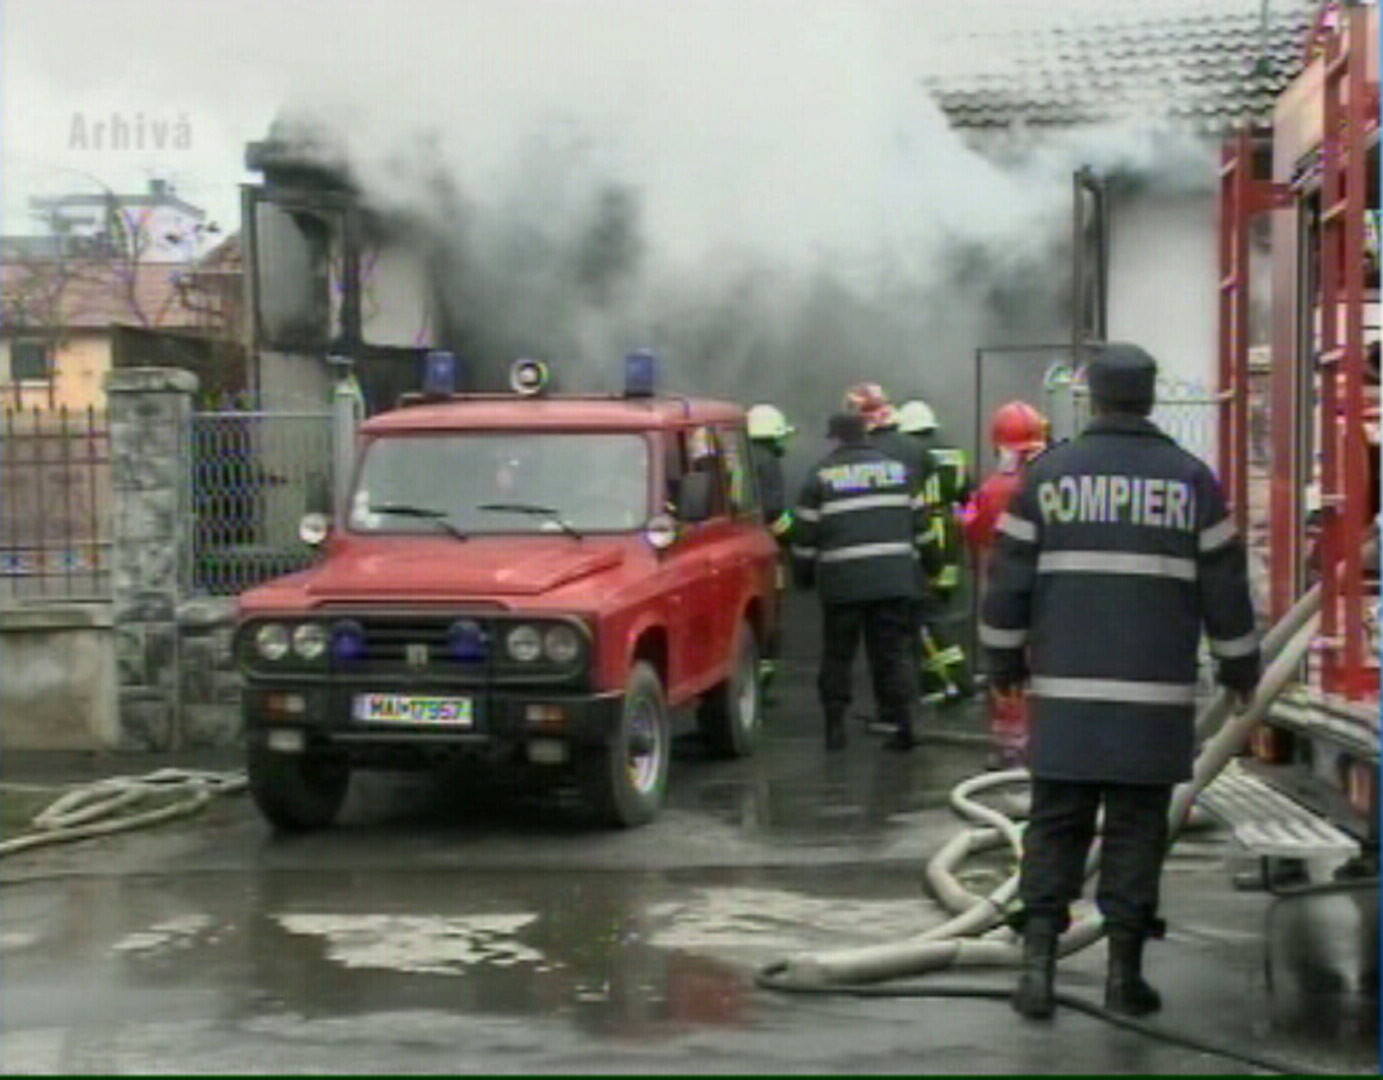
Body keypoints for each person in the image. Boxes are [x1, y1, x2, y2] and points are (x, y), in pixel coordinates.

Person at [979, 343, 1260, 1021]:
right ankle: (1122, 978)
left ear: (1092, 399)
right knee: (1136, 835)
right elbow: (1225, 588)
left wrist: (1002, 663)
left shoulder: (1047, 479)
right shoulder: (1191, 480)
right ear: (1149, 398)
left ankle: (1037, 973)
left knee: (1054, 829)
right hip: (1152, 704)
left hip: (1067, 703)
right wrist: (1240, 667)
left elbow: (1007, 579)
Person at [792, 411, 926, 753]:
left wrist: (803, 577)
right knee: (891, 655)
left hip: (843, 584)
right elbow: (922, 527)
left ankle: (835, 730)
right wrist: (932, 566)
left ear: (836, 439)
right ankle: (904, 726)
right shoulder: (898, 471)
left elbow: (805, 538)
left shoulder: (820, 476)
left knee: (839, 655)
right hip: (894, 581)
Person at [843, 382, 938, 735]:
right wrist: (935, 561)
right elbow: (927, 506)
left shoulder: (860, 456)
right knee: (908, 638)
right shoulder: (915, 449)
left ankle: (894, 713)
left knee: (884, 645)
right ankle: (911, 706)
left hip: (875, 565)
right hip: (911, 558)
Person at [962, 400, 1049, 768]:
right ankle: (1046, 740)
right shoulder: (1054, 480)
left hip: (1002, 587)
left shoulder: (993, 488)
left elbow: (973, 527)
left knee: (1004, 663)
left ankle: (1011, 746)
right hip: (1050, 591)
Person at [898, 399, 975, 706]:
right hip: (950, 541)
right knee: (939, 609)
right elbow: (969, 497)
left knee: (927, 614)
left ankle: (955, 679)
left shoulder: (911, 455)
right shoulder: (954, 452)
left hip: (925, 536)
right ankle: (934, 680)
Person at [746, 403, 796, 697]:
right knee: (770, 613)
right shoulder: (768, 462)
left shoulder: (736, 455)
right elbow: (775, 513)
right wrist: (796, 534)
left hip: (740, 548)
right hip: (766, 551)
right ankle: (761, 684)